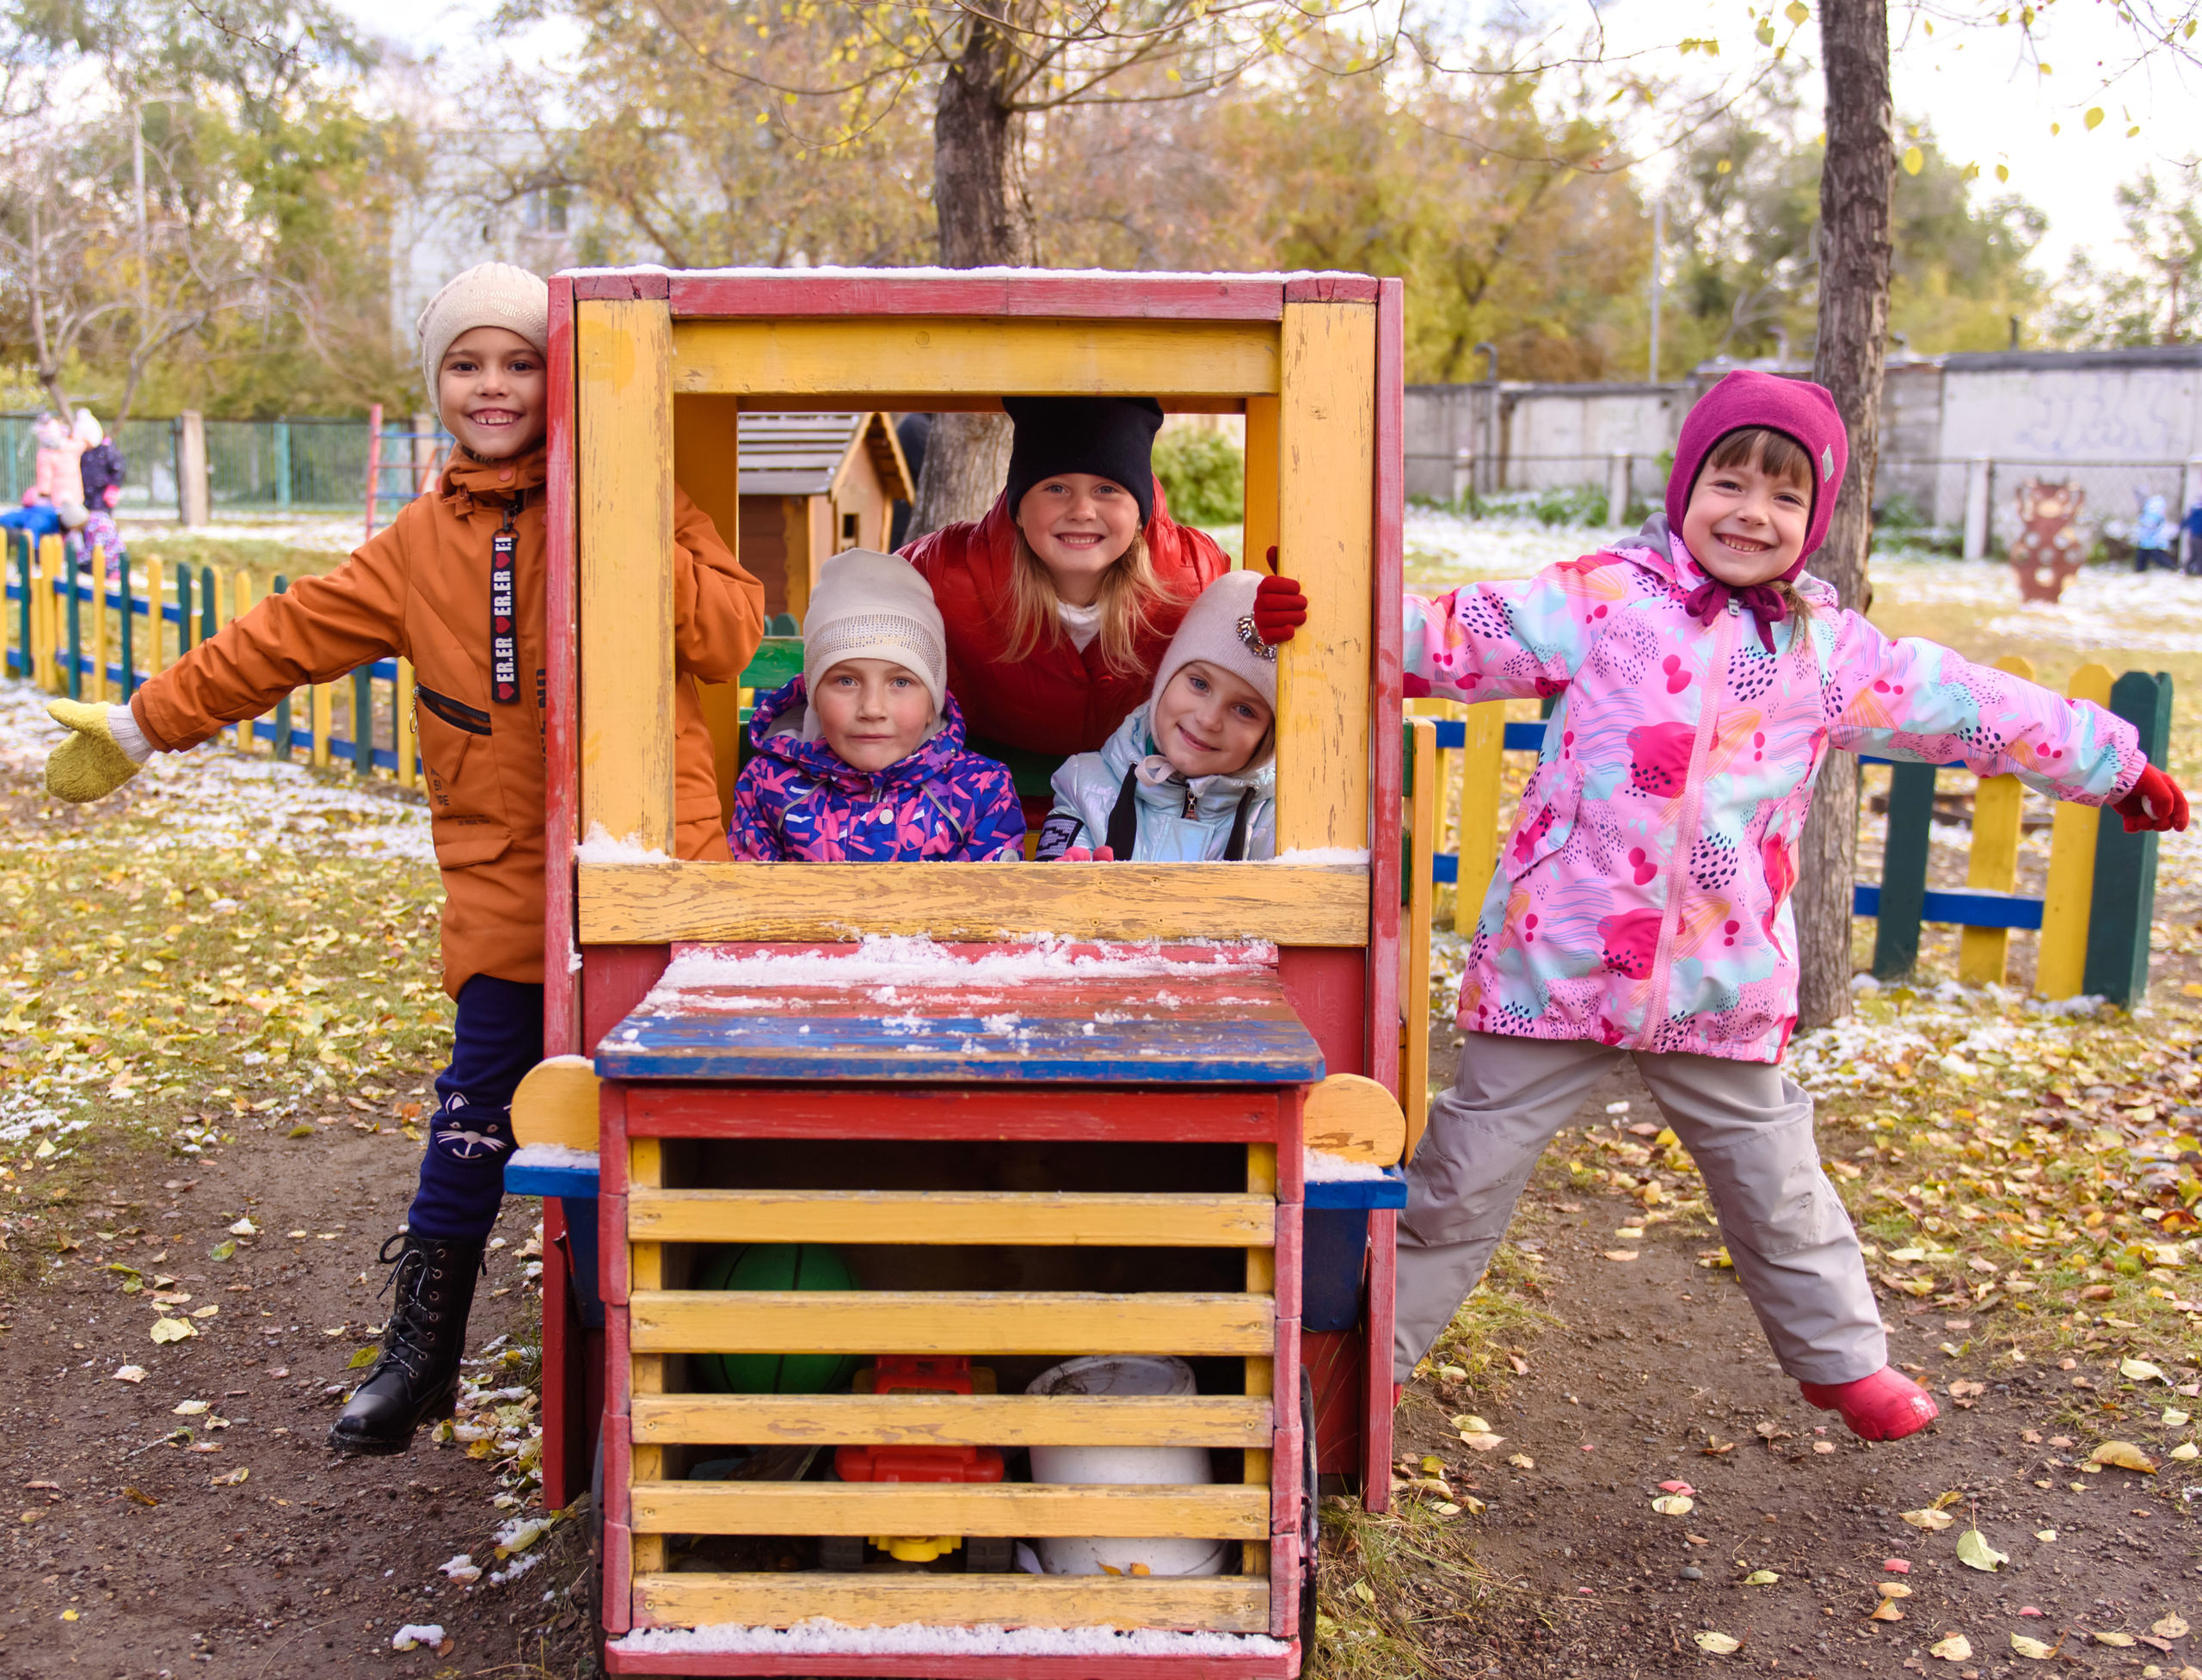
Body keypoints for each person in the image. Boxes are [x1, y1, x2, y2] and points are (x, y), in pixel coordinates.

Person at [40, 262, 767, 1455]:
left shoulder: (645, 493)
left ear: (561, 373)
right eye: (467, 364)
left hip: (657, 866)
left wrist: (624, 510)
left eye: (520, 360)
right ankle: (423, 1351)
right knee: (478, 1112)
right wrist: (140, 723)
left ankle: (702, 1340)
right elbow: (275, 639)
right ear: (437, 386)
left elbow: (730, 632)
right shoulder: (417, 547)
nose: (494, 385)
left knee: (676, 1101)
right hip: (504, 881)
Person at [1392, 368, 2188, 1443]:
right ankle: (1367, 1363)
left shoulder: (1824, 648)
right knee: (1457, 1178)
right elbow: (1449, 634)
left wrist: (2110, 761)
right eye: (1729, 481)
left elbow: (1968, 704)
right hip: (1556, 961)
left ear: (1812, 523)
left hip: (1720, 979)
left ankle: (1842, 1361)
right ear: (1685, 486)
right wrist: (1312, 623)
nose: (1750, 514)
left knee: (1774, 1181)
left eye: (1782, 497)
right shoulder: (1598, 599)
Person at [897, 397, 1305, 787]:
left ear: (1140, 511)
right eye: (1056, 487)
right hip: (981, 802)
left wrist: (1274, 615)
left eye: (1107, 489)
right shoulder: (945, 572)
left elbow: (1248, 659)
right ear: (1019, 508)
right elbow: (860, 602)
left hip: (1140, 801)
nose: (1082, 511)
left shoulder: (1193, 578)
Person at [729, 550, 1024, 862]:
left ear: (932, 703)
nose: (872, 709)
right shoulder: (768, 786)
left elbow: (990, 906)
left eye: (900, 682)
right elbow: (752, 904)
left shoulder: (981, 792)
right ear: (814, 696)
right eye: (846, 681)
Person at [1036, 569, 1276, 863]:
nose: (1208, 719)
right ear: (1166, 678)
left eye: (1244, 710)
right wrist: (1068, 890)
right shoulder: (1083, 786)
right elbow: (1049, 890)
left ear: (1269, 735)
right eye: (1199, 683)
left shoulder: (1283, 815)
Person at [75, 411, 126, 578]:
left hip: (102, 498)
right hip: (86, 499)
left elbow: (118, 470)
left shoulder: (106, 451)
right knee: (88, 530)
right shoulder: (83, 453)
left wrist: (113, 488)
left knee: (103, 530)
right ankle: (90, 560)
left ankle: (109, 562)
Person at [2134, 494, 2173, 574]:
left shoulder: (2157, 516)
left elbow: (2151, 525)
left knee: (2160, 559)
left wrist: (2142, 520)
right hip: (2144, 543)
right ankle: (2140, 572)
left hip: (2154, 543)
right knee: (2141, 560)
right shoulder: (2146, 515)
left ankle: (2174, 568)